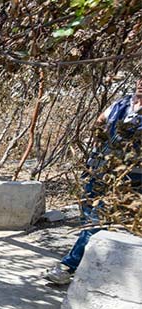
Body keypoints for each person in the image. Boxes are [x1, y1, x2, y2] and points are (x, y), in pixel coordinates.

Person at [45, 78, 142, 285]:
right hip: (99, 168)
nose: (141, 83)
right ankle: (90, 264)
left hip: (127, 176)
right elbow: (101, 119)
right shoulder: (123, 103)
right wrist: (98, 142)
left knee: (97, 220)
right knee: (88, 215)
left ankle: (69, 267)